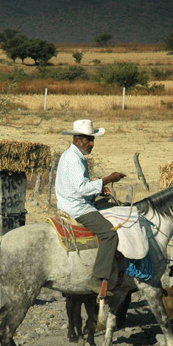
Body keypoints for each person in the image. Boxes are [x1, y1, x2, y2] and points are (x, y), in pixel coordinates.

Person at [55, 120, 126, 296]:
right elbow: (81, 188)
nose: (92, 144)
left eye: (92, 140)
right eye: (89, 140)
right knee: (110, 234)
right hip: (77, 208)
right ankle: (97, 278)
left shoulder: (69, 155)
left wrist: (100, 190)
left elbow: (79, 187)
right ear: (78, 139)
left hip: (70, 202)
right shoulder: (75, 160)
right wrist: (108, 179)